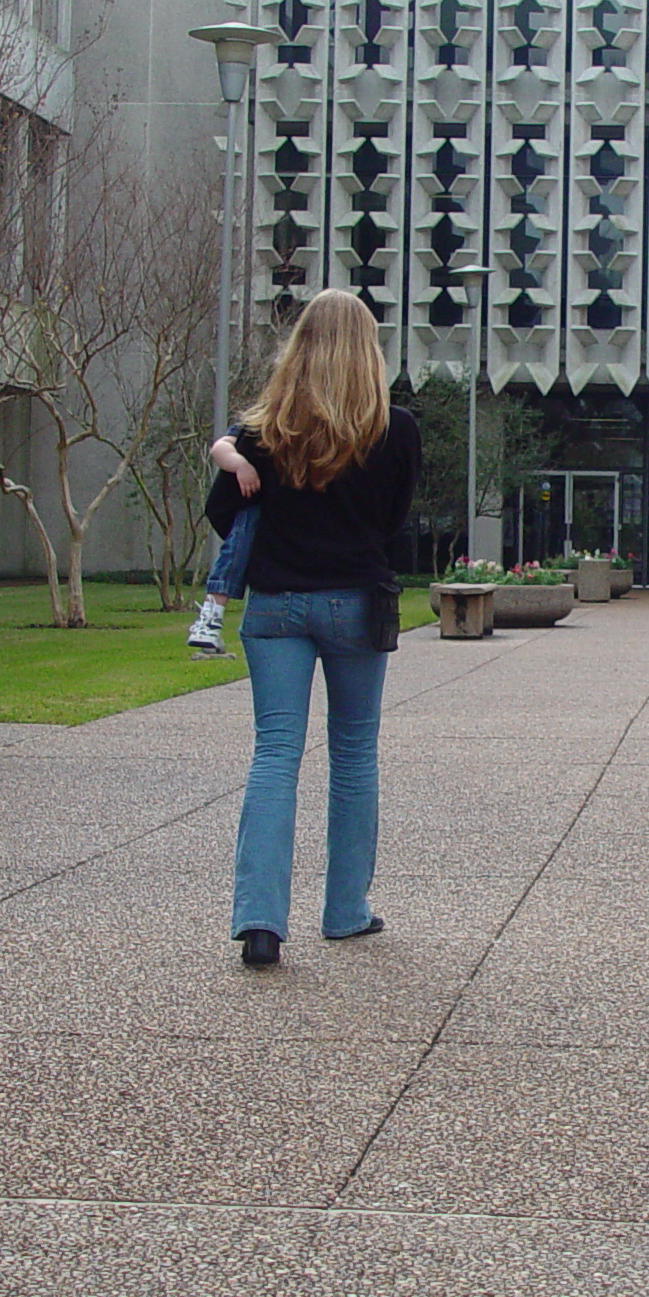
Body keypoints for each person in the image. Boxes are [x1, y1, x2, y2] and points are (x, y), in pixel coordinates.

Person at [205, 289, 421, 969]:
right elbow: (393, 524)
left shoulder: (261, 431)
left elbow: (224, 515)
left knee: (275, 754)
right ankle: (345, 911)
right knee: (353, 757)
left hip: (274, 606)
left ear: (298, 346)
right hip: (356, 603)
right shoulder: (397, 429)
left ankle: (260, 923)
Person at [185, 431, 259, 655]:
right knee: (239, 543)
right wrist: (240, 465)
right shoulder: (254, 424)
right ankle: (211, 616)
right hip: (256, 504)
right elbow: (220, 448)